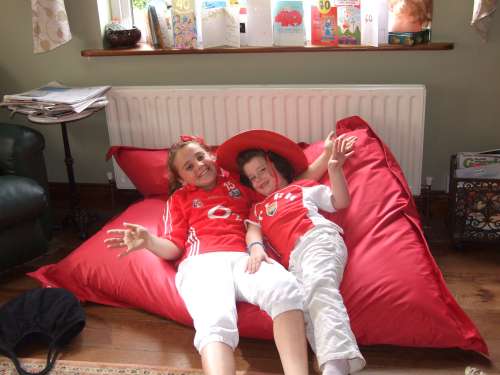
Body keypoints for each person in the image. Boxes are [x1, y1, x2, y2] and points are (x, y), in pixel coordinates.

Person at [104, 135, 314, 375]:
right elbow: (173, 246)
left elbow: (284, 191)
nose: (199, 166)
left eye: (200, 157)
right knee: (215, 321)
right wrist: (149, 241)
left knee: (285, 288)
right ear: (182, 179)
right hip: (203, 263)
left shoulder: (239, 185)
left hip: (245, 257)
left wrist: (328, 159)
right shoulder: (179, 199)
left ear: (212, 156)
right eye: (189, 167)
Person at [216, 130, 366, 375]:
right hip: (295, 260)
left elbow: (339, 202)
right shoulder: (258, 209)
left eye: (262, 170)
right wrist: (256, 251)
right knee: (303, 304)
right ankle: (338, 361)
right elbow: (252, 232)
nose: (259, 179)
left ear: (276, 166)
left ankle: (334, 365)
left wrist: (334, 168)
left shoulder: (301, 188)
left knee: (319, 286)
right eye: (252, 177)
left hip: (317, 239)